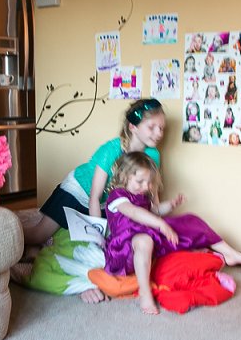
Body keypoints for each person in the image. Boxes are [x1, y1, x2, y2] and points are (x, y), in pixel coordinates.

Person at [21, 99, 166, 303]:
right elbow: (94, 197)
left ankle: (38, 250)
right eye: (152, 127)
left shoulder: (153, 155)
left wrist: (158, 223)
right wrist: (97, 235)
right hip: (81, 192)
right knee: (38, 234)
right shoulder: (111, 150)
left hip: (110, 202)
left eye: (161, 128)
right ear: (133, 127)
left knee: (84, 241)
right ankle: (11, 234)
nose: (159, 133)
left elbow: (151, 195)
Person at [103, 152, 241, 314]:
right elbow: (134, 212)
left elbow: (155, 211)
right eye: (140, 182)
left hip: (150, 237)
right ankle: (145, 292)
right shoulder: (117, 195)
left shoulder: (142, 197)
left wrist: (171, 204)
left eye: (148, 183)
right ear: (124, 176)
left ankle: (230, 253)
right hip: (124, 248)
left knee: (190, 221)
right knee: (144, 240)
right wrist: (161, 224)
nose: (146, 187)